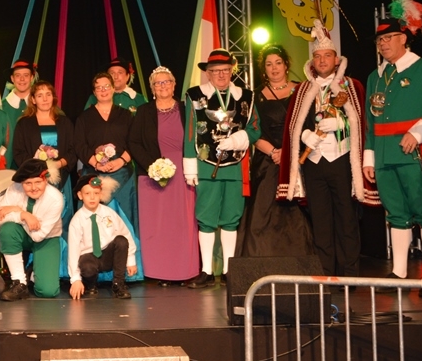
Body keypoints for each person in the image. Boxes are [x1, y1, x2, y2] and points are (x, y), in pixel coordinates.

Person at [363, 0, 422, 281]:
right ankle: (399, 272)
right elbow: (369, 122)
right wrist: (369, 157)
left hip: (414, 153)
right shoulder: (374, 77)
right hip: (384, 155)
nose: (382, 44)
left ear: (403, 38)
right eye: (379, 40)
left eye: (388, 38)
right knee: (395, 212)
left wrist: (417, 132)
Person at [279, 27, 370, 277]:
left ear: (336, 60)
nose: (322, 61)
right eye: (317, 57)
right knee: (320, 220)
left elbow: (362, 123)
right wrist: (304, 135)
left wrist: (342, 124)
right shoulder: (302, 90)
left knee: (346, 219)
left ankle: (349, 274)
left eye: (327, 56)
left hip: (341, 160)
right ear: (312, 61)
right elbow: (294, 124)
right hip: (314, 162)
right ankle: (325, 273)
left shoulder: (351, 86)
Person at [183, 48, 261, 288]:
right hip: (206, 166)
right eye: (216, 71)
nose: (221, 75)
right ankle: (206, 270)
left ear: (232, 71)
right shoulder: (195, 95)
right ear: (207, 73)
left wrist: (238, 138)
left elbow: (255, 129)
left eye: (226, 70)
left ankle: (229, 270)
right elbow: (189, 132)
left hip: (235, 167)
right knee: (206, 218)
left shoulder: (245, 96)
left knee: (231, 219)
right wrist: (190, 166)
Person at [237, 44, 314, 258]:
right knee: (262, 211)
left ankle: (300, 262)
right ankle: (260, 262)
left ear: (286, 65)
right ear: (264, 69)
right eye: (269, 64)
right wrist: (274, 152)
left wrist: (291, 153)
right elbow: (252, 131)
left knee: (297, 211)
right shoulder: (255, 96)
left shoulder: (303, 91)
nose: (274, 68)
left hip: (299, 158)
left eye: (278, 63)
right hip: (267, 160)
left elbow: (310, 125)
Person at [128, 66, 199, 285]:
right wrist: (153, 166)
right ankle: (159, 272)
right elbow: (133, 142)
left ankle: (185, 271)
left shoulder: (187, 109)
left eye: (166, 81)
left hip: (184, 173)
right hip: (153, 175)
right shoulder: (143, 112)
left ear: (174, 85)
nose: (163, 86)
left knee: (183, 223)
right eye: (157, 83)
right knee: (157, 225)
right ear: (152, 88)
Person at [10, 80, 76, 229]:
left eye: (48, 94)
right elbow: (18, 152)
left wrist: (58, 164)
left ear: (53, 97)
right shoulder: (24, 124)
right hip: (35, 180)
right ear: (33, 100)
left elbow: (73, 150)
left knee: (62, 219)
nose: (45, 99)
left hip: (61, 177)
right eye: (40, 95)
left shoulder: (65, 122)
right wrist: (36, 167)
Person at [75, 72, 137, 229]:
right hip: (93, 173)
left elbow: (134, 142)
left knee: (124, 221)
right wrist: (96, 164)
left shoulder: (126, 115)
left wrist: (121, 161)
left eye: (107, 86)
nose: (103, 90)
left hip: (123, 174)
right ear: (94, 92)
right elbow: (79, 145)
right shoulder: (84, 118)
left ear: (113, 88)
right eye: (99, 87)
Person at [0, 159, 64, 300]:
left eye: (38, 182)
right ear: (22, 183)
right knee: (7, 230)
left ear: (46, 180)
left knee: (48, 291)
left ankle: (35, 270)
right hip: (20, 233)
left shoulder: (56, 198)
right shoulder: (14, 189)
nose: (33, 188)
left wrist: (16, 211)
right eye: (28, 183)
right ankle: (20, 282)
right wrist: (23, 215)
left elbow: (38, 236)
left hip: (46, 238)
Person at [68, 175, 137, 300]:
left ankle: (118, 284)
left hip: (108, 255)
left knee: (121, 241)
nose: (92, 197)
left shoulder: (109, 213)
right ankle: (90, 284)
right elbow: (73, 250)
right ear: (80, 195)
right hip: (89, 257)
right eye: (87, 193)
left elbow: (125, 233)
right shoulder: (77, 220)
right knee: (87, 267)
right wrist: (75, 279)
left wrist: (131, 260)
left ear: (101, 194)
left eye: (96, 193)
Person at [0, 59, 36, 133]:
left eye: (26, 75)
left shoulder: (42, 104)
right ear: (12, 78)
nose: (22, 79)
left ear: (31, 78)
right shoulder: (1, 107)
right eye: (18, 75)